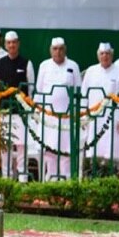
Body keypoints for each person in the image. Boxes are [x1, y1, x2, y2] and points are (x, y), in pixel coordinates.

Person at [34, 37, 81, 180]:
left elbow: (79, 90)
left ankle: (65, 178)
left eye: (61, 49)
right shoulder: (44, 66)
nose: (58, 52)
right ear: (50, 50)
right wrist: (38, 112)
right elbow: (39, 90)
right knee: (49, 148)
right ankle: (52, 178)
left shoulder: (73, 65)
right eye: (55, 49)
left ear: (65, 49)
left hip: (67, 117)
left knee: (66, 148)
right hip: (48, 117)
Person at [0, 30, 36, 179]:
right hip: (5, 112)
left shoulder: (27, 63)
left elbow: (30, 88)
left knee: (21, 146)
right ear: (5, 45)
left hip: (21, 113)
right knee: (5, 147)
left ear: (18, 43)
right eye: (9, 43)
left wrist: (27, 107)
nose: (11, 45)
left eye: (14, 42)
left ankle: (22, 178)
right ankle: (6, 177)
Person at [81, 43, 119, 166]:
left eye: (107, 54)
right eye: (102, 54)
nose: (105, 56)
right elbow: (84, 95)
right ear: (98, 56)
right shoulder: (91, 71)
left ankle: (112, 178)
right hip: (94, 118)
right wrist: (84, 116)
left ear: (112, 55)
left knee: (113, 152)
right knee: (94, 151)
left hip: (113, 119)